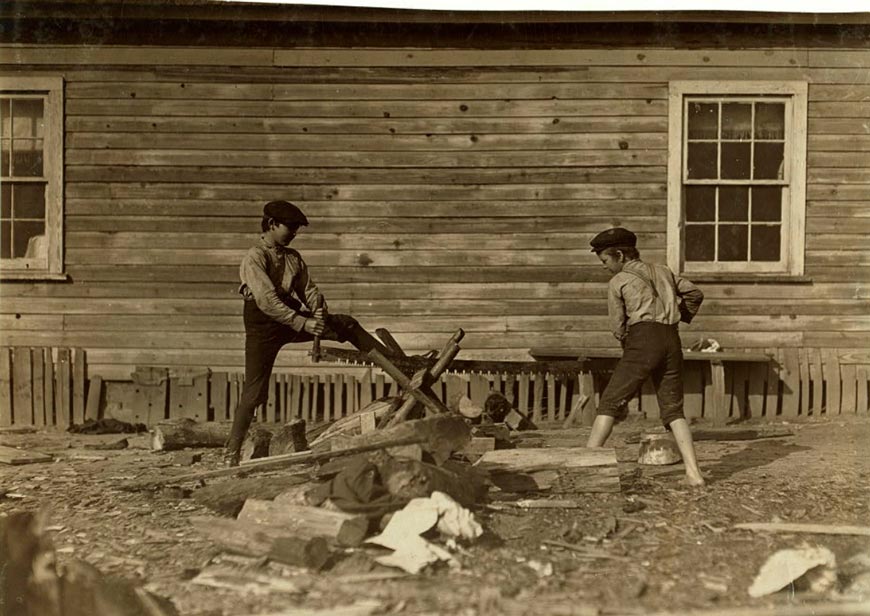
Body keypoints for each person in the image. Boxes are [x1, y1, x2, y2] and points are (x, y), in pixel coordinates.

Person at [223, 200, 392, 466]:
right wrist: (303, 323)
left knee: (345, 324)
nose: (293, 233)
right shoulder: (255, 258)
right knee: (254, 393)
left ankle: (395, 364)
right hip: (263, 327)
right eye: (289, 227)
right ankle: (231, 453)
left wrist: (317, 306)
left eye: (296, 229)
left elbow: (308, 288)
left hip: (291, 318)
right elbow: (267, 301)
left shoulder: (293, 257)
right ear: (271, 225)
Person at [585, 227, 706, 487]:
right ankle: (694, 475)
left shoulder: (617, 282)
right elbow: (695, 293)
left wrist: (630, 342)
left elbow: (617, 326)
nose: (605, 267)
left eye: (606, 260)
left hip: (642, 340)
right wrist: (680, 314)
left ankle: (583, 467)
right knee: (673, 410)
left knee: (609, 402)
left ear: (619, 255)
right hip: (672, 340)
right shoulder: (664, 271)